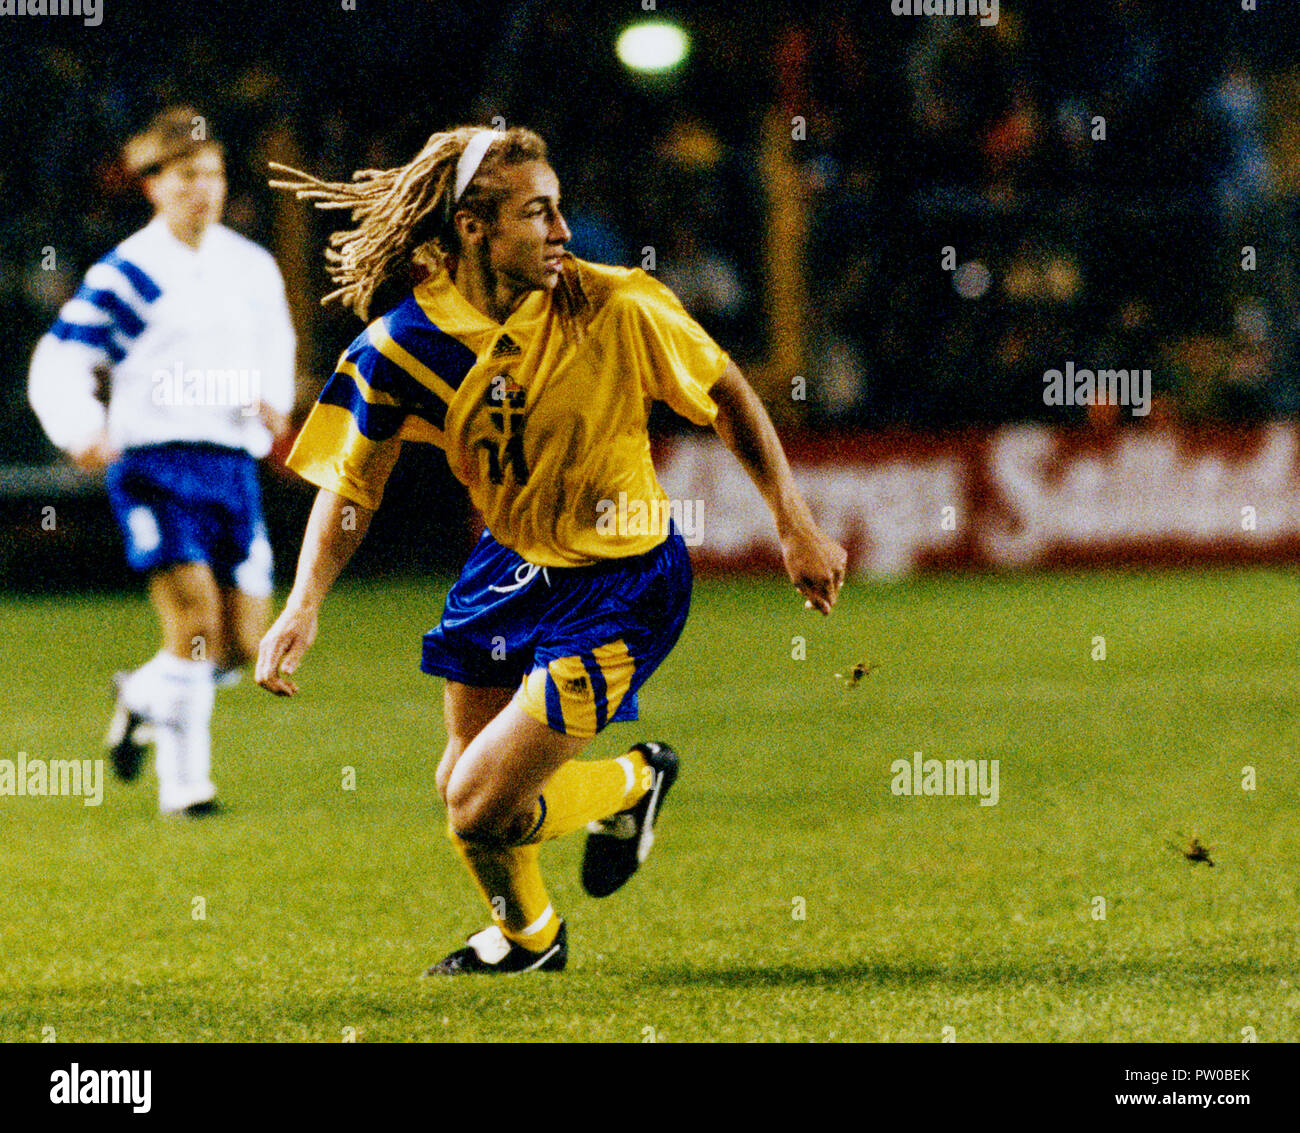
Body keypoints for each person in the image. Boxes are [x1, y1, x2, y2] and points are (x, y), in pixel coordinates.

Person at [257, 125, 845, 973]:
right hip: (510, 564)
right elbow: (354, 484)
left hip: (622, 581)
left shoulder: (614, 304)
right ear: (473, 228)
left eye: (560, 209)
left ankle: (636, 780)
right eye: (539, 213)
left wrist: (794, 522)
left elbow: (724, 392)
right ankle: (529, 938)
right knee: (468, 790)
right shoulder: (400, 348)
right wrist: (303, 603)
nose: (563, 231)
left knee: (473, 803)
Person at [27, 106, 296, 816]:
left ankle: (140, 695)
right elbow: (60, 357)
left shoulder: (250, 266)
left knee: (240, 644)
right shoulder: (130, 273)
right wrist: (81, 425)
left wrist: (274, 405)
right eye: (185, 176)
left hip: (231, 467)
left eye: (212, 174)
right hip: (156, 462)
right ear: (152, 185)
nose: (202, 188)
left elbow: (275, 349)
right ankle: (187, 788)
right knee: (196, 623)